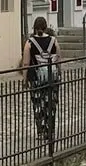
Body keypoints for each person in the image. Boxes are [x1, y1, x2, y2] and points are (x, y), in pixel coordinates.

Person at [23, 16, 62, 144]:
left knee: (38, 105)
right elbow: (59, 59)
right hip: (52, 77)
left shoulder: (29, 43)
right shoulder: (53, 41)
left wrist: (25, 79)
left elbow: (26, 63)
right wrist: (59, 73)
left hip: (36, 78)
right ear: (46, 27)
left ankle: (40, 131)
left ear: (34, 27)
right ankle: (50, 131)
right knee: (51, 104)